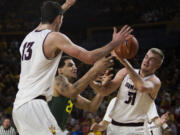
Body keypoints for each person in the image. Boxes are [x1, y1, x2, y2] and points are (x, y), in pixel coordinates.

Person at [12, 0, 133, 134]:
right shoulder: (54, 38)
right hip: (34, 106)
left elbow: (48, 19)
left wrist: (65, 6)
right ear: (58, 19)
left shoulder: (28, 37)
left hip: (19, 106)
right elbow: (90, 57)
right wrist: (114, 43)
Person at [90, 48, 165, 135]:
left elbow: (142, 87)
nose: (147, 61)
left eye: (152, 60)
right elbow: (104, 91)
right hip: (114, 127)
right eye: (146, 57)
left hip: (135, 129)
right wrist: (92, 80)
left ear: (158, 65)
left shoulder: (155, 81)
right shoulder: (125, 72)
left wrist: (124, 61)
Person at [48, 56, 113, 132]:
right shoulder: (58, 80)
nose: (75, 68)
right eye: (70, 65)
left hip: (55, 130)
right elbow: (71, 91)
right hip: (45, 129)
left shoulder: (71, 91)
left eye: (75, 65)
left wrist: (102, 90)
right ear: (60, 70)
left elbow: (91, 107)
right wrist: (94, 70)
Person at [90, 97, 169, 135]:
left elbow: (156, 121)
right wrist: (98, 127)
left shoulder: (147, 101)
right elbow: (105, 123)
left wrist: (161, 121)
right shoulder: (115, 101)